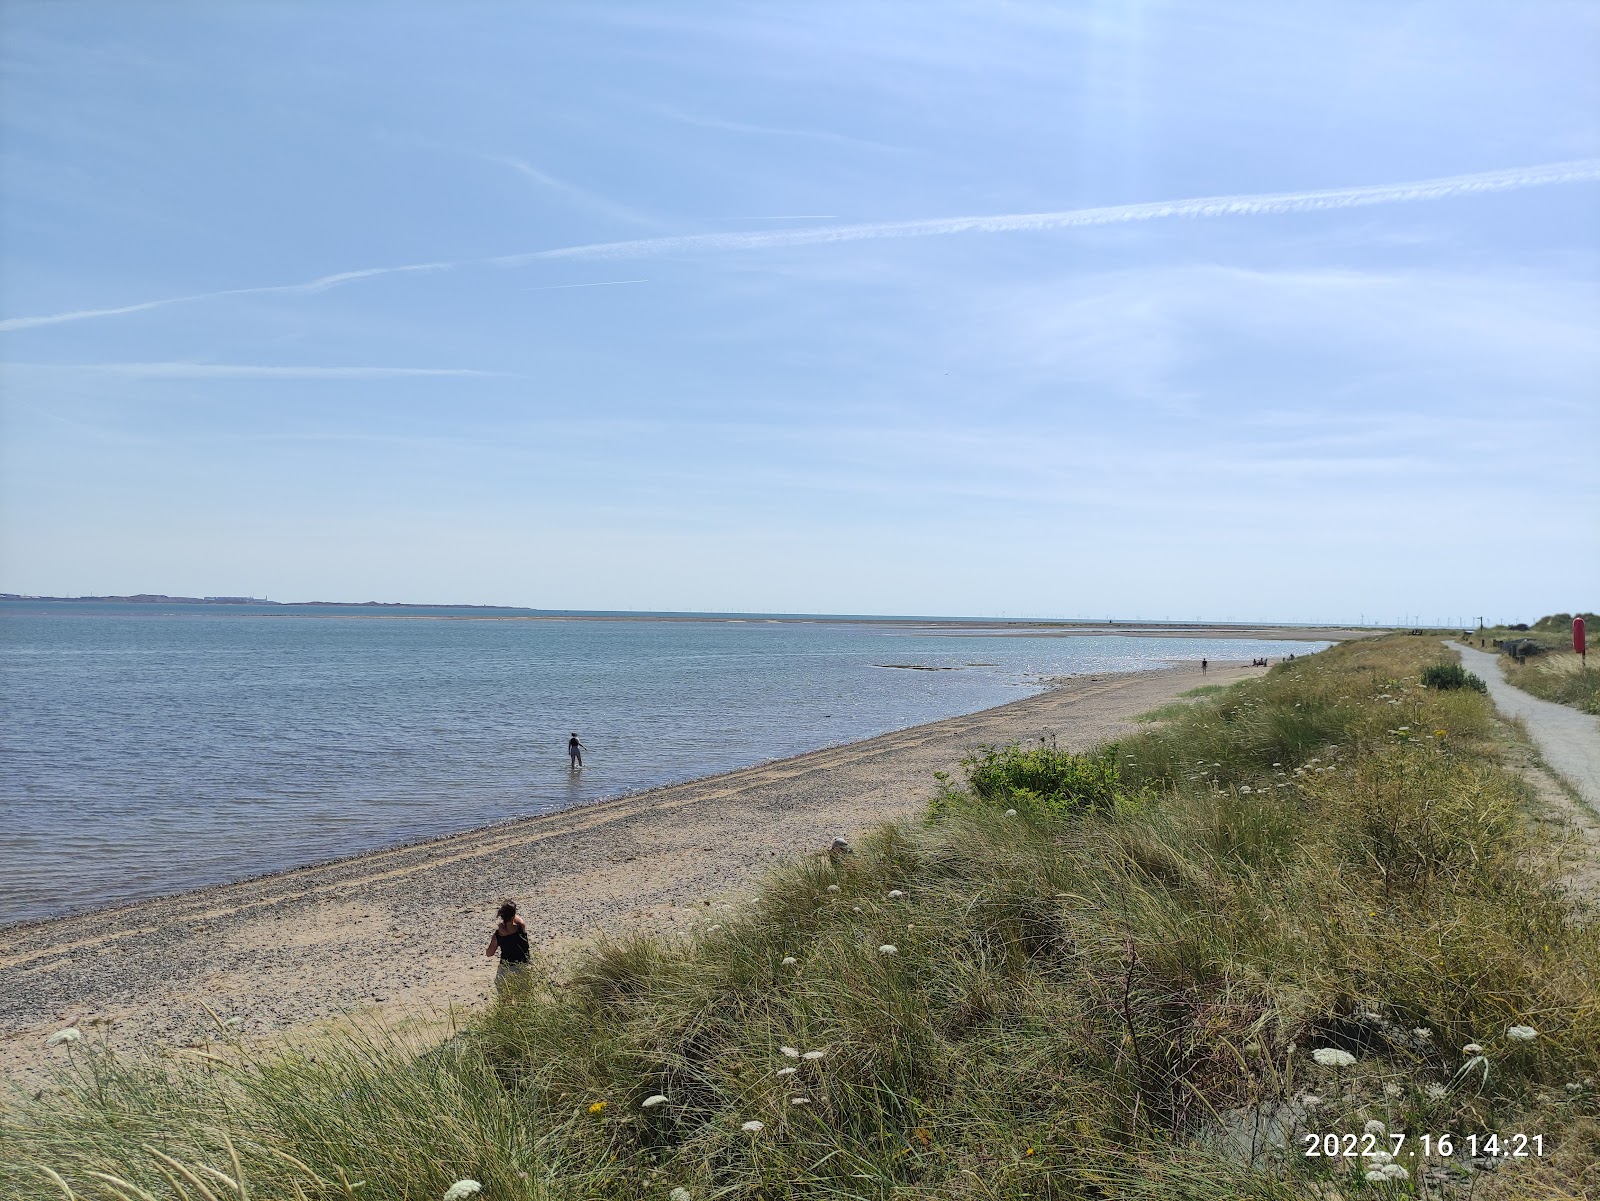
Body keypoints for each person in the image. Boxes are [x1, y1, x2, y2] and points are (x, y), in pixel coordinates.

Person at [485, 900, 531, 991]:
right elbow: (516, 918)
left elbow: (489, 953)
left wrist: (501, 926)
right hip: (523, 967)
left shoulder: (498, 935)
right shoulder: (521, 927)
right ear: (513, 915)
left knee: (504, 1000)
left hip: (506, 969)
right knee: (523, 1000)